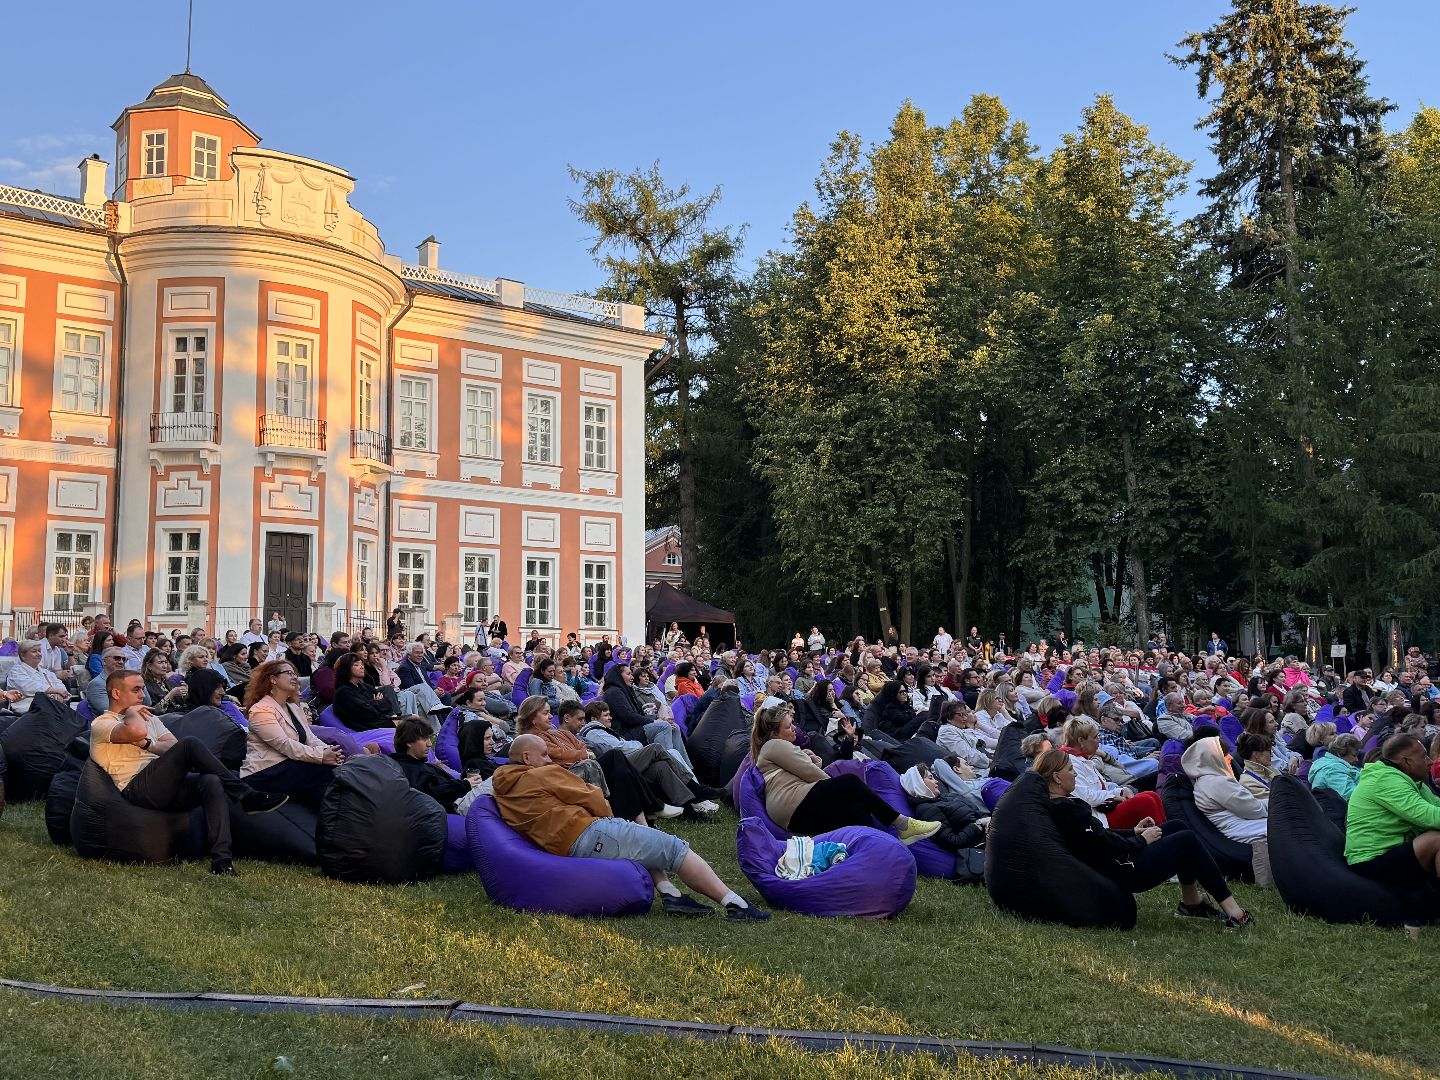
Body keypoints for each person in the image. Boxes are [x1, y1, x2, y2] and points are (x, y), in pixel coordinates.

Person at [493, 733, 767, 920]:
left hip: (563, 846)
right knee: (675, 848)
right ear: (526, 758)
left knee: (642, 843)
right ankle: (736, 904)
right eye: (543, 755)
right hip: (588, 833)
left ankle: (671, 894)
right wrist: (606, 815)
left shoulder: (502, 787)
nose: (549, 760)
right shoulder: (543, 774)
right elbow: (592, 796)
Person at [90, 670, 287, 875]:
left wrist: (148, 744)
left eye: (143, 689)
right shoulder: (103, 724)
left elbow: (172, 746)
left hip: (163, 783)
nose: (142, 695)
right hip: (137, 787)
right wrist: (131, 713)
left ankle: (222, 861)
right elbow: (137, 732)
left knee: (210, 781)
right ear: (116, 693)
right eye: (136, 690)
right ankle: (246, 795)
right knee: (190, 744)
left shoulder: (148, 718)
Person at [1034, 748, 1252, 927]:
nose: (1075, 774)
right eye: (1071, 770)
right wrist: (1142, 840)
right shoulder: (1066, 811)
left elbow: (1099, 836)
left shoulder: (1062, 805)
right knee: (1186, 840)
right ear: (1057, 778)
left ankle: (1192, 903)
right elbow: (1101, 846)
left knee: (1177, 826)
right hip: (1122, 870)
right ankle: (1235, 913)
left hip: (1114, 861)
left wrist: (1133, 831)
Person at [751, 701, 941, 842]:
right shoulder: (774, 745)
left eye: (792, 723)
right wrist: (837, 787)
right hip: (792, 804)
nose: (794, 728)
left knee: (856, 807)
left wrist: (813, 760)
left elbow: (808, 769)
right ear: (774, 733)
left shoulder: (774, 748)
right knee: (849, 782)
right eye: (789, 726)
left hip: (794, 810)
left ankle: (878, 844)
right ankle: (902, 824)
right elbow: (810, 773)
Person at [1345, 735, 1440, 936]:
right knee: (1436, 839)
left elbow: (1436, 806)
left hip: (1395, 850)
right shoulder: (1385, 780)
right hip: (1371, 858)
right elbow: (1429, 817)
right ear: (1406, 761)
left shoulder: (1411, 780)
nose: (1430, 761)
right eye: (1424, 756)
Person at [242, 659, 341, 805]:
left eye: (295, 674)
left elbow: (310, 738)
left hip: (290, 766)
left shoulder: (294, 707)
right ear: (273, 679)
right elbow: (284, 744)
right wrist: (321, 756)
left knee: (329, 778)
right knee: (327, 770)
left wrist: (329, 751)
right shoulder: (260, 710)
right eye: (289, 673)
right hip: (265, 772)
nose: (295, 677)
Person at [1058, 717, 1167, 830]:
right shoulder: (1071, 763)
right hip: (1099, 819)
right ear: (1081, 741)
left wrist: (1120, 791)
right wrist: (1113, 796)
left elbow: (1100, 787)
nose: (1099, 741)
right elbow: (1085, 797)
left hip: (1105, 808)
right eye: (1095, 737)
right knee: (1145, 801)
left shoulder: (1082, 759)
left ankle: (1164, 830)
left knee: (1151, 795)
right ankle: (1160, 835)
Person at [389, 716, 479, 814]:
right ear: (409, 742)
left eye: (429, 738)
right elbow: (431, 794)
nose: (429, 744)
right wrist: (465, 785)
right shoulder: (408, 770)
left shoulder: (415, 765)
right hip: (457, 807)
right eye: (424, 739)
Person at [332, 653, 398, 731]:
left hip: (380, 720)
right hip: (366, 726)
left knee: (410, 719)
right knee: (407, 724)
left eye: (362, 664)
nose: (362, 667)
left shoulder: (363, 686)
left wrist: (373, 703)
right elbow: (367, 713)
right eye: (356, 665)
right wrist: (377, 702)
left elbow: (388, 704)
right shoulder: (343, 691)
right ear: (346, 669)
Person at [5, 639, 71, 712]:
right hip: (30, 709)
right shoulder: (16, 671)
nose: (39, 654)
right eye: (34, 651)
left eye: (39, 651)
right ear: (23, 656)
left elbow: (59, 684)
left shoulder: (46, 672)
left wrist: (61, 694)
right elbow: (30, 687)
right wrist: (54, 691)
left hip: (52, 707)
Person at [1308, 733, 1364, 800]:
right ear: (1340, 754)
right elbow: (1351, 795)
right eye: (1354, 755)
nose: (1356, 759)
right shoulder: (1331, 771)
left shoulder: (1335, 766)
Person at [1236, 733, 1278, 803]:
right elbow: (1278, 801)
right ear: (1257, 755)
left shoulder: (1270, 769)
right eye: (1269, 751)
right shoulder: (1247, 782)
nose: (1272, 755)